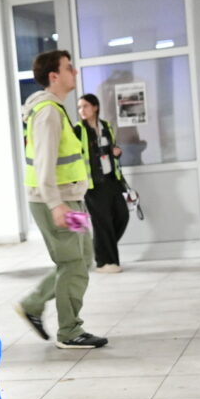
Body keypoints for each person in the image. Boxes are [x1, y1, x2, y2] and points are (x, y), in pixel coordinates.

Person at [17, 50, 108, 349]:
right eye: (69, 68)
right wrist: (56, 204)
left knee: (83, 259)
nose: (76, 73)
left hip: (70, 199)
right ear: (54, 76)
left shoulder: (55, 109)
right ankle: (70, 331)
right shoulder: (47, 114)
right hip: (55, 201)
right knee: (72, 263)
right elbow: (44, 164)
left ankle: (33, 304)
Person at [76, 93, 129, 273]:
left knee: (122, 216)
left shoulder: (106, 126)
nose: (82, 110)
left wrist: (116, 152)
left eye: (85, 106)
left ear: (95, 107)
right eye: (80, 107)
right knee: (102, 222)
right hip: (93, 185)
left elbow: (111, 148)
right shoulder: (78, 130)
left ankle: (100, 252)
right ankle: (106, 263)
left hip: (111, 180)